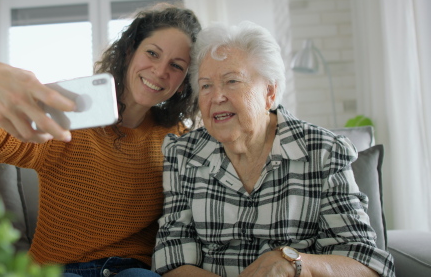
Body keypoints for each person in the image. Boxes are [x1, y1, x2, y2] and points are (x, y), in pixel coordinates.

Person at [0, 3, 202, 277]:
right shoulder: (72, 118)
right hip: (58, 268)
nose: (159, 71)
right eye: (152, 53)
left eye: (176, 66)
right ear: (130, 51)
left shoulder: (178, 137)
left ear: (184, 82)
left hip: (131, 268)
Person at [152, 21, 395, 277]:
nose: (216, 97)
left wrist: (296, 264)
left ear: (269, 92)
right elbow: (172, 259)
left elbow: (367, 265)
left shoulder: (323, 152)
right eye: (205, 85)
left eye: (232, 81)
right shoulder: (183, 154)